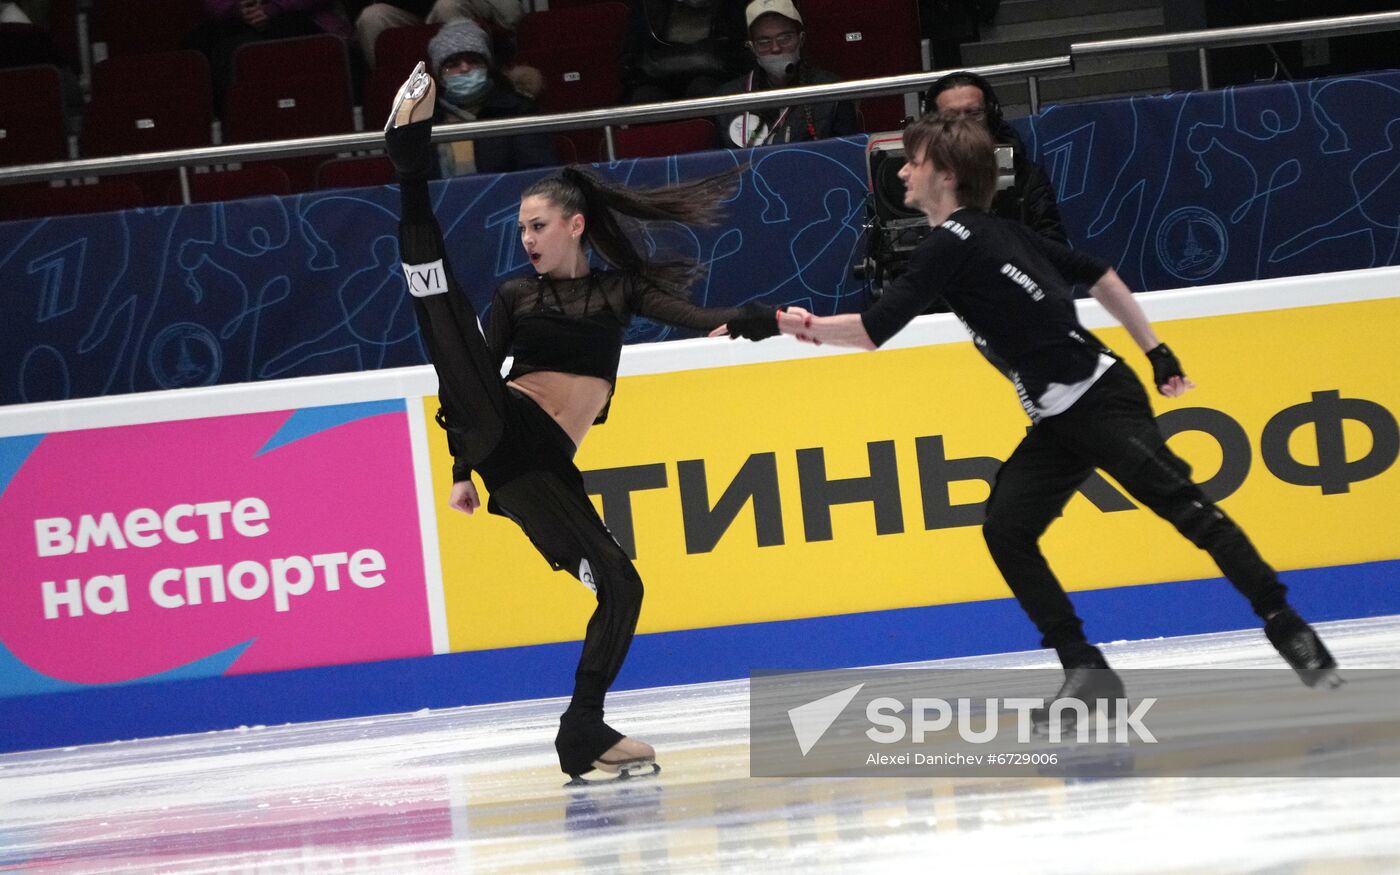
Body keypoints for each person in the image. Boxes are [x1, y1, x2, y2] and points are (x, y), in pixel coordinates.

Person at [736, 112, 1340, 722]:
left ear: (945, 174)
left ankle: (1286, 625)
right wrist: (1154, 349)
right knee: (1006, 527)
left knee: (1188, 512)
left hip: (1100, 401)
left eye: (914, 161)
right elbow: (1098, 271)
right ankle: (1085, 668)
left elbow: (870, 332)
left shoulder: (954, 243)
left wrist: (783, 321)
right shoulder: (997, 232)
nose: (904, 171)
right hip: (1061, 419)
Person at [383, 64, 781, 780]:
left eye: (538, 226)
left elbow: (696, 317)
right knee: (442, 316)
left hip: (540, 467)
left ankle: (582, 729)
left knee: (623, 585)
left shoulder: (619, 289)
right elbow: (469, 380)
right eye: (521, 229)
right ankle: (410, 169)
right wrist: (459, 469)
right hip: (501, 424)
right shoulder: (514, 295)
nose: (528, 239)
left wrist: (756, 320)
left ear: (575, 225)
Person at [924, 70, 1066, 244]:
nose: (963, 124)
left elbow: (1053, 245)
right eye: (950, 116)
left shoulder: (1023, 175)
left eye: (973, 113)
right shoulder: (916, 177)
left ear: (991, 117)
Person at [711, 0, 858, 149]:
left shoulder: (832, 92)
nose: (775, 48)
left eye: (784, 38)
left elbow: (847, 157)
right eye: (764, 41)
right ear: (752, 48)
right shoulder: (728, 99)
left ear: (801, 39)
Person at [424, 18, 556, 177]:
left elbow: (538, 174)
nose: (465, 68)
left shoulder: (518, 110)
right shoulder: (426, 120)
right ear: (439, 76)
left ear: (487, 66)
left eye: (473, 61)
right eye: (453, 64)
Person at [621, 0, 749, 104]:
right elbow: (632, 58)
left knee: (703, 88)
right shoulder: (647, 6)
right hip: (657, 79)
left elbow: (743, 54)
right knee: (645, 97)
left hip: (720, 77)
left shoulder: (736, 7)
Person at [351, 0, 527, 69]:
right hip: (415, 7)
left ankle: (464, 80)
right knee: (372, 18)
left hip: (483, 5)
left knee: (447, 7)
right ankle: (392, 93)